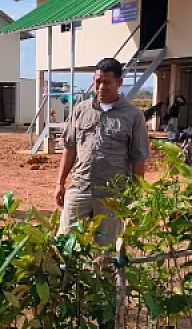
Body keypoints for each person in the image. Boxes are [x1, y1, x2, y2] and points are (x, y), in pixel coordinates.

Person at [56, 57, 150, 246]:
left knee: (105, 250)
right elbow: (70, 148)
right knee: (65, 244)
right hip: (80, 187)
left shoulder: (133, 116)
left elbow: (138, 159)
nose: (101, 87)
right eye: (98, 81)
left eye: (107, 82)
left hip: (112, 194)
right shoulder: (80, 110)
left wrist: (135, 197)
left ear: (119, 82)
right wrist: (60, 182)